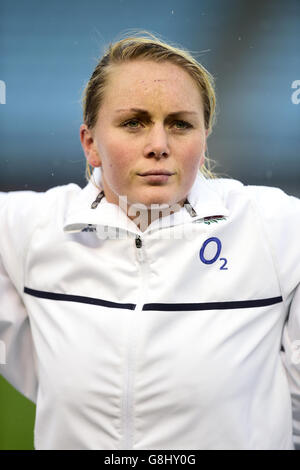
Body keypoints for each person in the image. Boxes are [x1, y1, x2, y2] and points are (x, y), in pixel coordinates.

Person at [0, 31, 299, 450]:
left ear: (204, 136)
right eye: (133, 123)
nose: (158, 145)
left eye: (180, 124)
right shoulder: (27, 228)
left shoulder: (278, 227)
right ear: (91, 145)